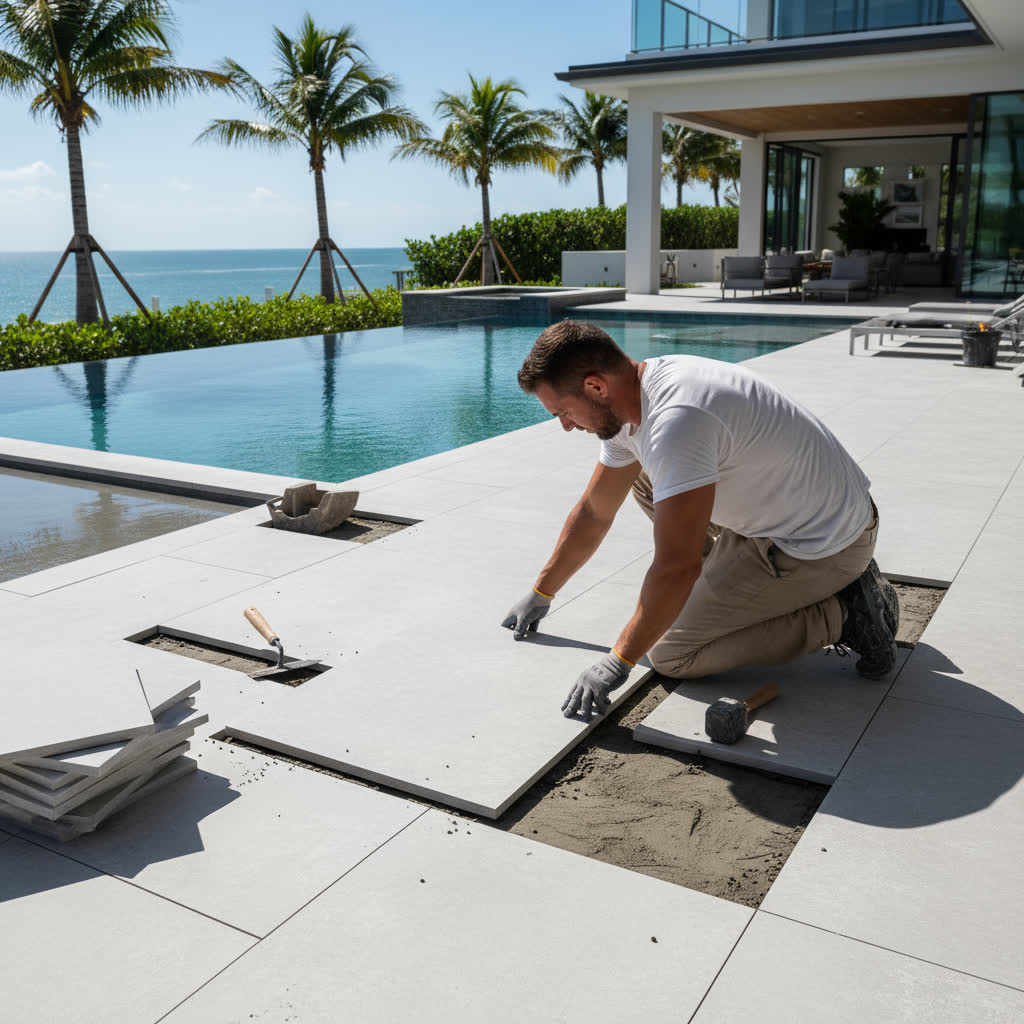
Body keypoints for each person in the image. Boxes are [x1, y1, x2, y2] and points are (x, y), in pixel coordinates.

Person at [500, 320, 899, 720]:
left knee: (672, 653)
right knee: (644, 480)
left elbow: (677, 566)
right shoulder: (637, 394)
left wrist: (618, 661)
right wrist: (542, 591)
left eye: (564, 412)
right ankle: (729, 592)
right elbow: (595, 510)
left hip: (821, 545)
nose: (566, 425)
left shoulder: (677, 420)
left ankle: (847, 613)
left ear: (596, 387)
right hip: (788, 514)